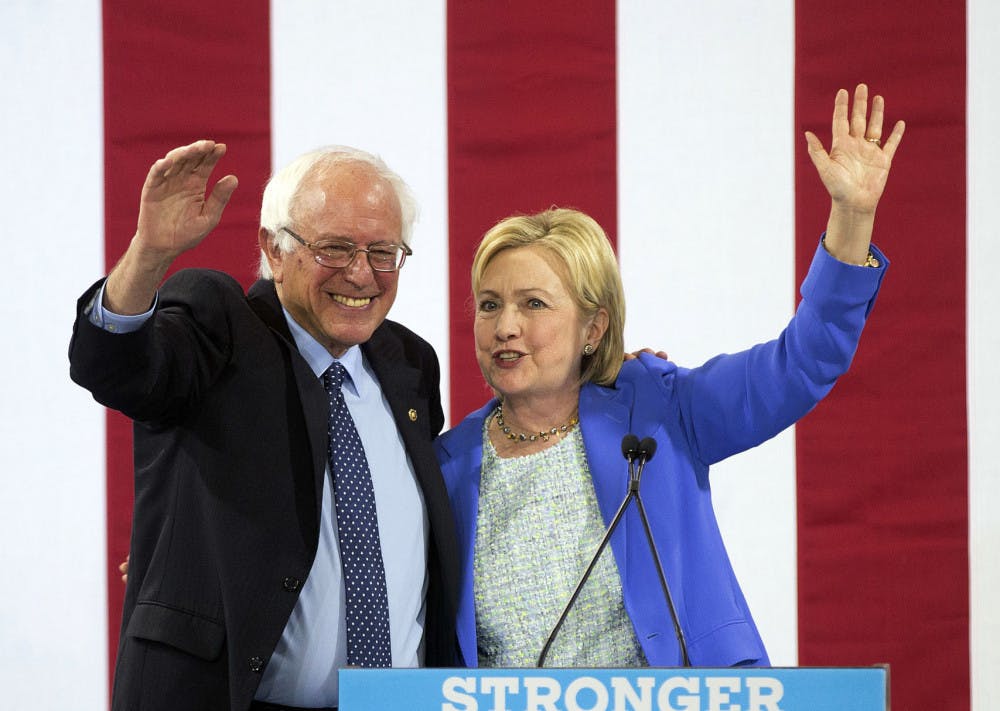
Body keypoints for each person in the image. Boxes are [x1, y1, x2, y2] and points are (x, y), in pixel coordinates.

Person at [433, 83, 904, 668]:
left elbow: (801, 364)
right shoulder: (447, 465)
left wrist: (852, 216)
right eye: (489, 304)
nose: (505, 326)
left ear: (593, 328)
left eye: (533, 304)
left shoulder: (658, 409)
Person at [69, 141, 459, 710]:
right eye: (334, 248)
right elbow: (116, 365)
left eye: (383, 252)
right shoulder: (221, 325)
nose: (361, 273)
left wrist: (611, 378)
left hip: (397, 702)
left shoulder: (411, 364)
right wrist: (148, 256)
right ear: (273, 251)